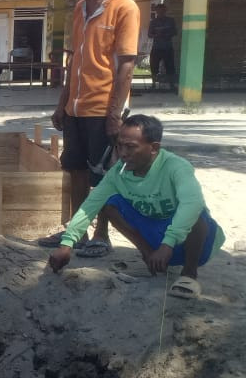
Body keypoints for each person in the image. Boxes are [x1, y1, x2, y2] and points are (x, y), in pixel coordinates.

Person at [37, 0, 140, 257]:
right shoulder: (81, 8)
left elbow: (125, 66)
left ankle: (102, 235)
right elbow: (76, 61)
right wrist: (62, 104)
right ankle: (77, 231)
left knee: (104, 176)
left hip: (101, 108)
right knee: (76, 170)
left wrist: (114, 114)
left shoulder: (125, 8)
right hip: (76, 108)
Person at [48, 115, 224, 298]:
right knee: (109, 204)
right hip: (155, 240)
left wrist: (168, 244)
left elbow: (191, 204)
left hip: (191, 242)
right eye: (119, 146)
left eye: (130, 147)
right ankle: (148, 256)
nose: (123, 153)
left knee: (196, 215)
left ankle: (189, 274)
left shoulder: (176, 167)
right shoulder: (119, 172)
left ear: (154, 148)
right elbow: (90, 206)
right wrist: (67, 244)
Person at [148, 2, 178, 89]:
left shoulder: (170, 20)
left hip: (167, 47)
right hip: (157, 47)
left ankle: (171, 85)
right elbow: (149, 34)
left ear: (165, 11)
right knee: (154, 66)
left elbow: (175, 32)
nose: (161, 12)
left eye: (162, 10)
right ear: (156, 11)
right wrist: (157, 35)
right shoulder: (153, 22)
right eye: (159, 10)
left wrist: (166, 34)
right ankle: (153, 84)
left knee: (170, 66)